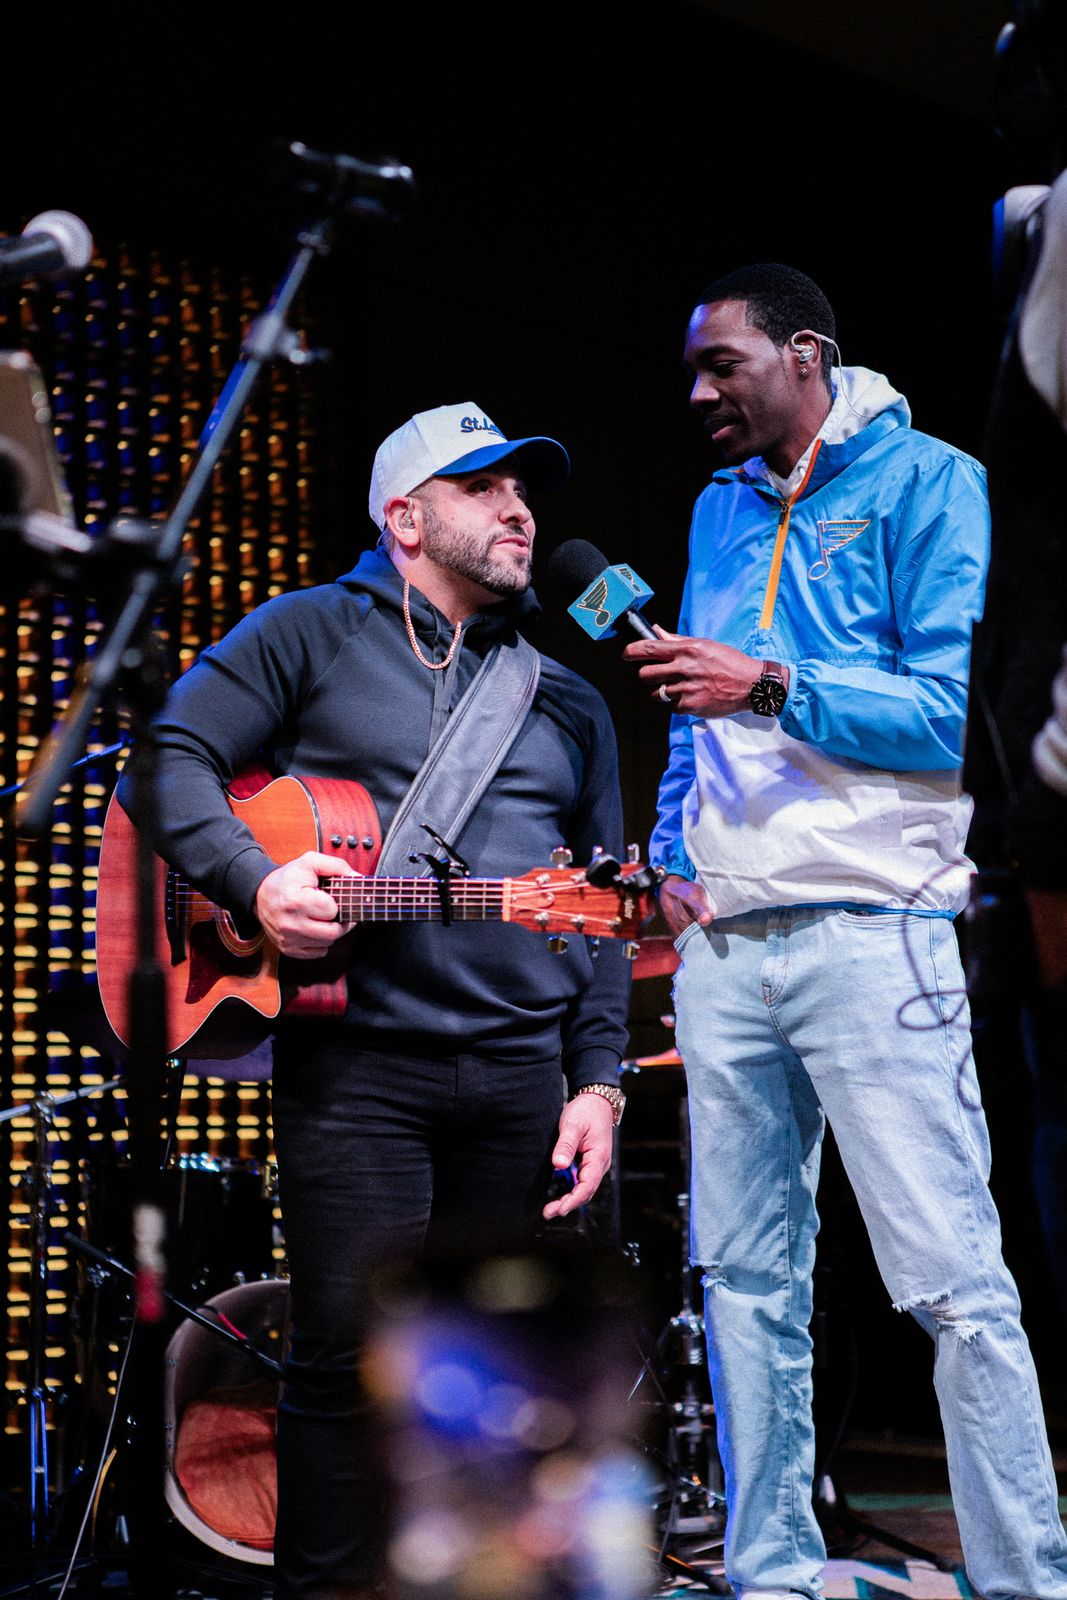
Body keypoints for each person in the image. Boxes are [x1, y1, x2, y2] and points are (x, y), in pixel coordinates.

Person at [119, 401, 632, 1599]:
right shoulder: (308, 630)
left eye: (523, 489)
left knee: (503, 1385)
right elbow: (164, 756)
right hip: (357, 1071)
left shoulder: (568, 699)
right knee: (344, 1364)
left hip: (520, 1078)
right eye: (483, 487)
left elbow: (606, 911)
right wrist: (251, 878)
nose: (519, 510)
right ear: (404, 517)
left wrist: (598, 1081)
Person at [623, 262, 1067, 1600]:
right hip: (724, 944)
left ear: (805, 355)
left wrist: (768, 683)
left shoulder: (929, 483)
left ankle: (1020, 1580)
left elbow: (952, 713)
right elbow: (689, 703)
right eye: (691, 370)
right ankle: (768, 1569)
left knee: (949, 1286)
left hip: (875, 930)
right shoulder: (716, 505)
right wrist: (669, 850)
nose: (697, 392)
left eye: (722, 364)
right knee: (743, 1284)